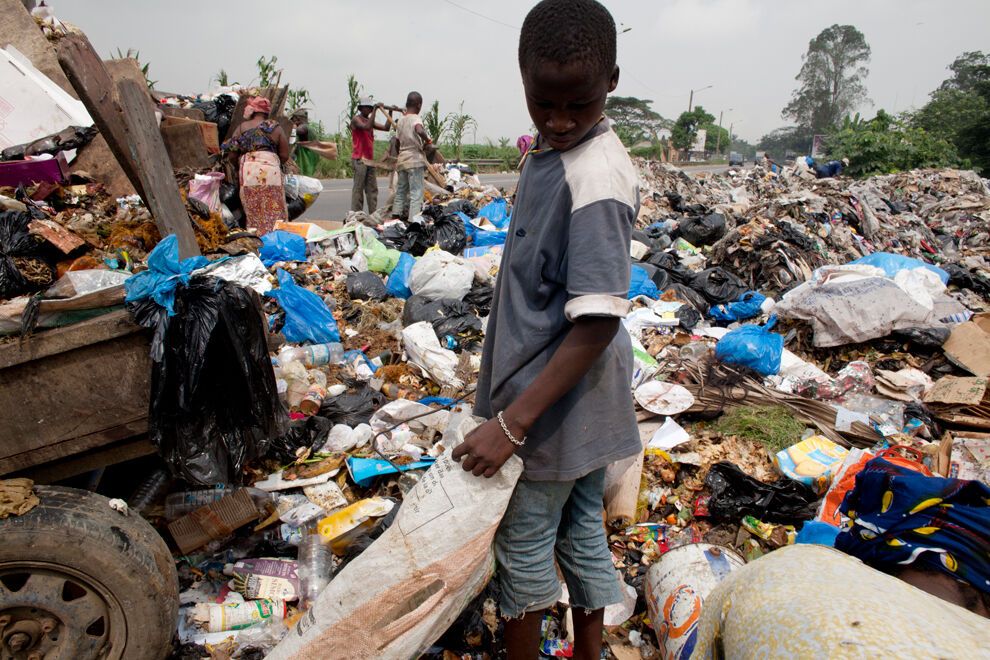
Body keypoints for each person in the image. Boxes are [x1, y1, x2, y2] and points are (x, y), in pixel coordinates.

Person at [451, 2, 640, 658]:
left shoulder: (596, 177)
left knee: (526, 545)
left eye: (577, 106)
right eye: (544, 104)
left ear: (612, 80)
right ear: (524, 81)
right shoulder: (554, 155)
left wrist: (511, 425)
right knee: (582, 531)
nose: (559, 122)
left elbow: (594, 325)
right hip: (577, 403)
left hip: (555, 405)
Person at [221, 96, 289, 235]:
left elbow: (232, 154)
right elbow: (284, 155)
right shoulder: (276, 128)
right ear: (267, 112)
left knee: (253, 208)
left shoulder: (242, 128)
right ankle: (276, 237)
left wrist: (240, 166)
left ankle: (256, 238)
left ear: (252, 112)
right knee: (274, 207)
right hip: (271, 173)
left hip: (249, 172)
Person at [391, 92, 432, 220]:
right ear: (418, 105)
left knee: (401, 191)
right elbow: (419, 130)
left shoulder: (401, 120)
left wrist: (401, 155)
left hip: (402, 160)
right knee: (416, 193)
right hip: (414, 160)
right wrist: (428, 140)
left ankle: (395, 217)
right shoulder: (415, 118)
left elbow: (397, 142)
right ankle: (413, 222)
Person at [351, 97, 388, 213]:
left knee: (372, 189)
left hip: (370, 160)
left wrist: (389, 112)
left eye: (370, 108)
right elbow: (366, 127)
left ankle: (373, 214)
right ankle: (357, 215)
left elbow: (387, 128)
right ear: (361, 108)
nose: (368, 110)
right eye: (366, 108)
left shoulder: (369, 120)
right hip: (359, 159)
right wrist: (376, 110)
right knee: (358, 189)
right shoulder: (356, 119)